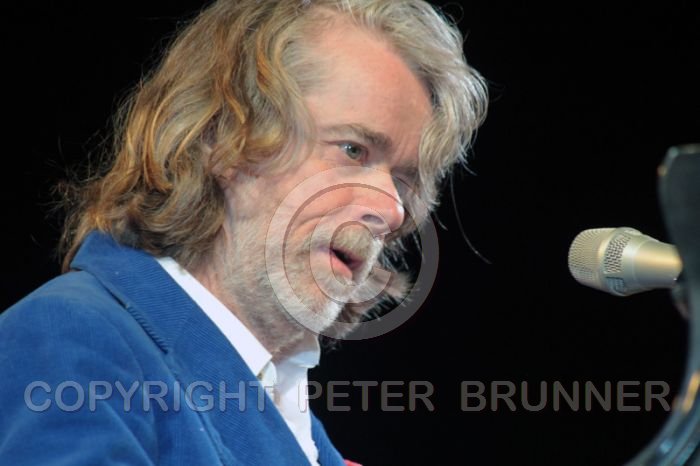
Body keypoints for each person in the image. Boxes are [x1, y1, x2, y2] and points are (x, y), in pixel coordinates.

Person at [0, 0, 487, 464]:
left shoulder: (297, 425)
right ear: (222, 137)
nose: (393, 209)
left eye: (404, 180)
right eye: (353, 150)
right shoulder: (70, 341)